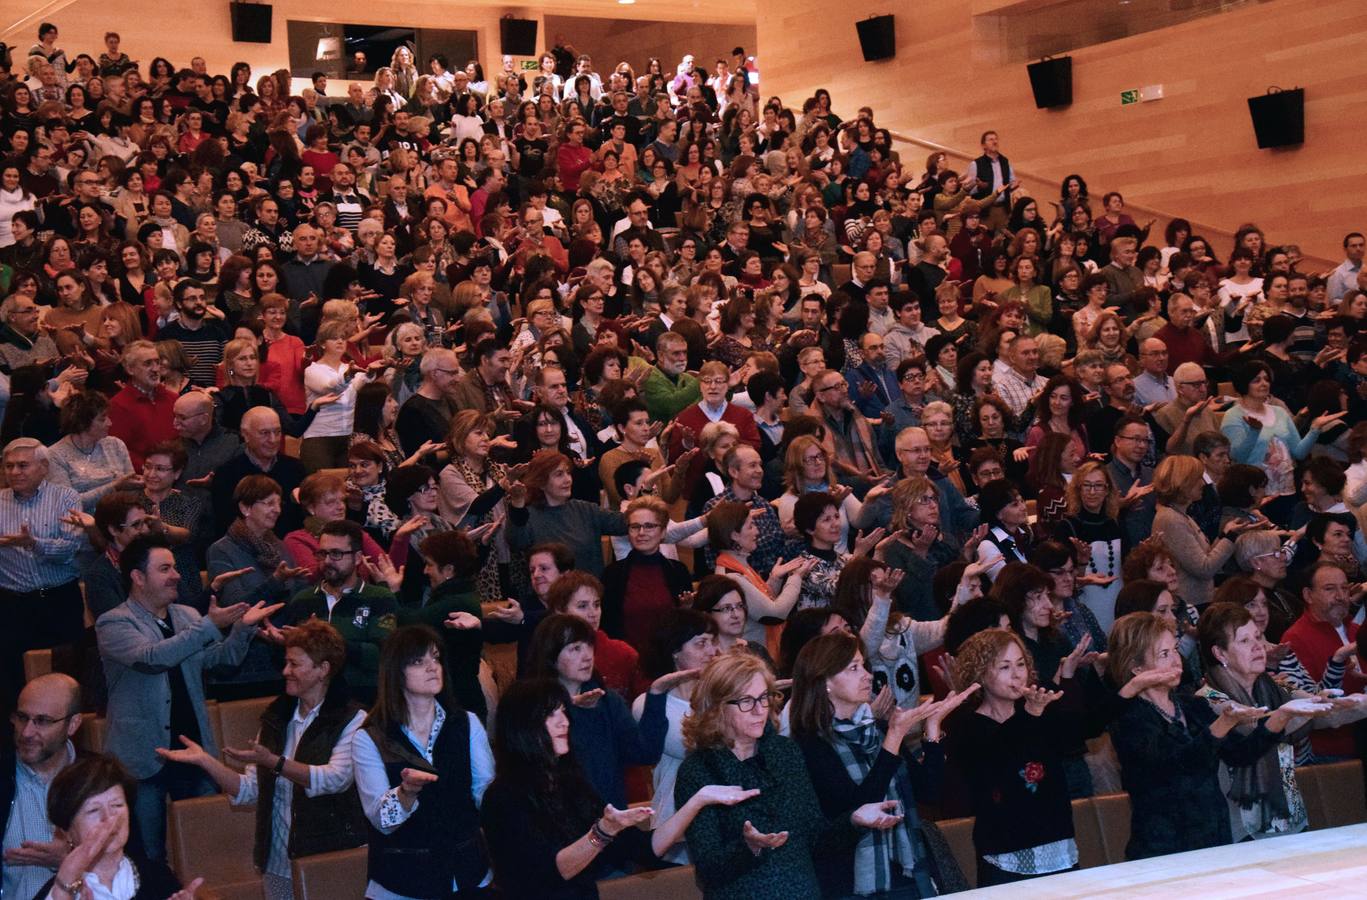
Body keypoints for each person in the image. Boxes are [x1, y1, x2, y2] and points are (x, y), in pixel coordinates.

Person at [482, 678, 756, 899]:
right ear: (523, 727)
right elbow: (554, 871)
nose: (564, 722)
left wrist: (698, 800)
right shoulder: (503, 796)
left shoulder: (570, 784)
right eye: (550, 715)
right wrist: (602, 832)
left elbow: (646, 849)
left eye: (564, 712)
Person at [153, 620, 369, 900]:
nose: (285, 671)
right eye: (285, 662)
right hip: (278, 861)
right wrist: (206, 761)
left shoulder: (352, 719)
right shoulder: (276, 718)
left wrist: (275, 762)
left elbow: (334, 779)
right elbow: (250, 789)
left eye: (294, 664)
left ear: (323, 670)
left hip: (329, 859)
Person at [97, 533, 281, 860]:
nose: (177, 575)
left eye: (175, 567)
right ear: (138, 578)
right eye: (165, 569)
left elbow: (220, 660)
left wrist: (242, 630)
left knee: (202, 847)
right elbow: (153, 658)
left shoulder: (186, 616)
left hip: (193, 748)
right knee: (148, 853)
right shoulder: (113, 622)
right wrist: (210, 625)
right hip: (142, 756)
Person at [675, 652, 905, 899]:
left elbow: (816, 840)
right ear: (716, 708)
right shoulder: (698, 771)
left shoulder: (785, 753)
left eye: (764, 698)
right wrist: (749, 847)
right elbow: (708, 871)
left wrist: (854, 821)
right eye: (746, 701)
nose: (759, 710)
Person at [789, 632, 975, 897]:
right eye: (854, 668)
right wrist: (894, 738)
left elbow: (929, 792)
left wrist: (932, 730)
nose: (867, 675)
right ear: (825, 681)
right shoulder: (808, 746)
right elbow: (857, 810)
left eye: (864, 665)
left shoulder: (878, 731)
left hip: (910, 870)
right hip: (852, 881)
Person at [1107, 611, 1303, 860]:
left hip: (1214, 837)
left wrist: (1281, 717)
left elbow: (1239, 754)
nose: (1176, 661)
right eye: (1164, 655)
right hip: (1164, 847)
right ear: (1136, 668)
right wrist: (1222, 725)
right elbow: (1174, 767)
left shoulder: (1193, 705)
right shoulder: (1129, 718)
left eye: (1176, 650)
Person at [351, 625, 494, 899]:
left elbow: (485, 795)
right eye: (419, 661)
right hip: (402, 881)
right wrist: (406, 792)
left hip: (467, 875)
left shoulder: (466, 723)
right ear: (396, 673)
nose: (432, 667)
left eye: (436, 658)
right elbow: (381, 820)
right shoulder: (370, 737)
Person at [35, 755, 200, 900]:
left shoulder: (158, 878)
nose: (109, 819)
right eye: (93, 810)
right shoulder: (57, 893)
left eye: (117, 805)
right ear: (67, 831)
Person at [0, 438, 87, 708]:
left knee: (69, 674)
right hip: (14, 603)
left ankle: (71, 740)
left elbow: (69, 549)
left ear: (44, 466)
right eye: (9, 466)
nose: (15, 472)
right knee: (12, 679)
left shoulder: (66, 497)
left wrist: (33, 543)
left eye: (23, 465)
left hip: (60, 598)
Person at [283, 519, 398, 704]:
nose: (327, 561)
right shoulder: (303, 600)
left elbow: (383, 655)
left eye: (336, 554)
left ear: (358, 557)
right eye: (322, 553)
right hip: (310, 704)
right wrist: (285, 643)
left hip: (363, 703)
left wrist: (325, 643)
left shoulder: (379, 598)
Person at [0, 674, 83, 900]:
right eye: (22, 717)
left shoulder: (98, 781)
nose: (27, 732)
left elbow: (135, 869)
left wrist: (75, 860)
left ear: (73, 724)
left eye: (43, 721)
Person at [1151, 455, 1261, 607]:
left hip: (1198, 599)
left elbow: (1205, 554)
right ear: (1184, 482)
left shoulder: (1181, 515)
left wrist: (1224, 534)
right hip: (1191, 602)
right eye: (1198, 478)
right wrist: (1230, 538)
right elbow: (1204, 568)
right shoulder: (1171, 519)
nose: (1202, 483)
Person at [1281, 562, 1366, 761]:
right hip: (1332, 750)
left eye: (1344, 588)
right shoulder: (1294, 638)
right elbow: (1311, 700)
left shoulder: (1356, 629)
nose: (1340, 596)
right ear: (1308, 595)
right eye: (1330, 589)